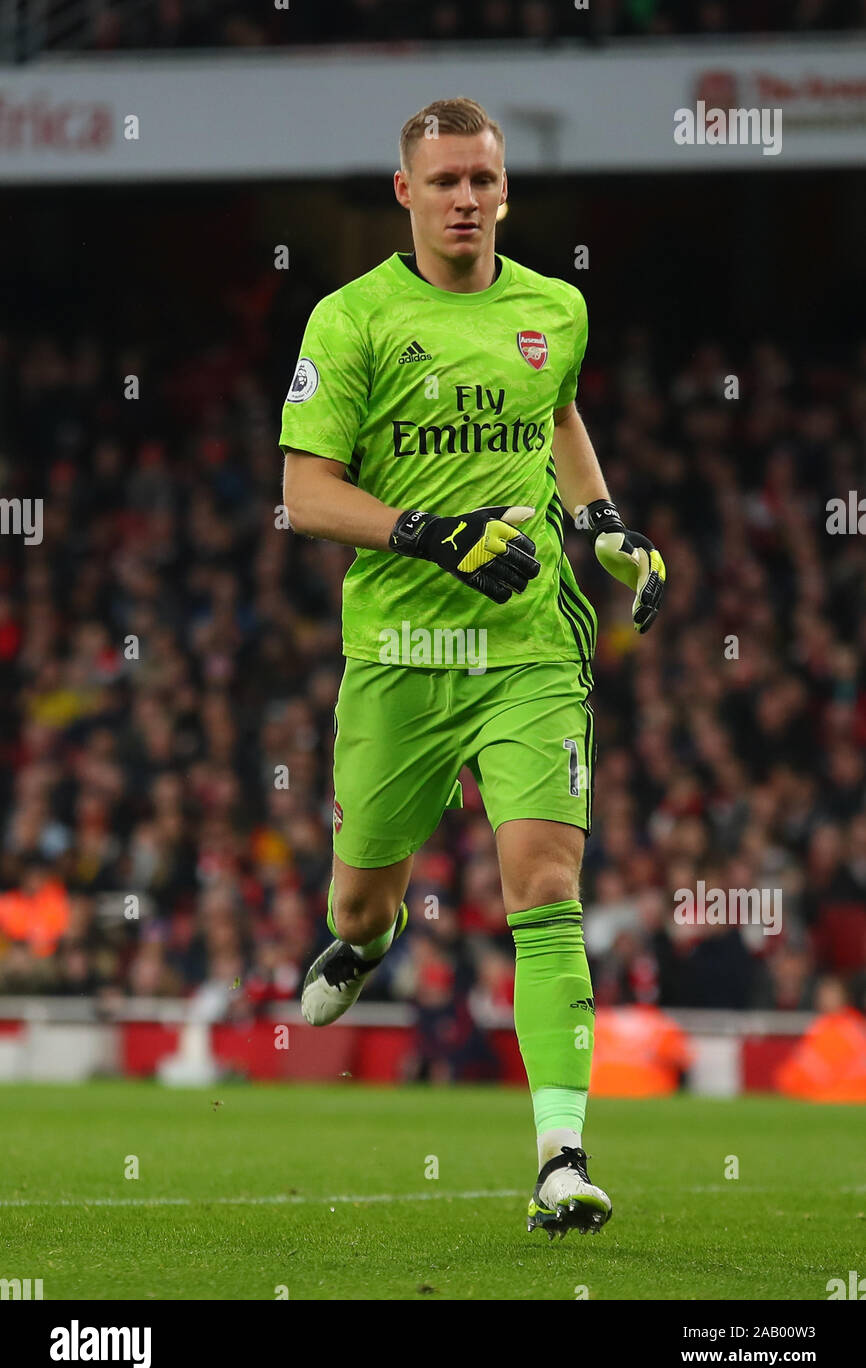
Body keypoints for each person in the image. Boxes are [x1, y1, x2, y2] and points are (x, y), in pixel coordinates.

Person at [279, 96, 665, 1238]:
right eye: (442, 181)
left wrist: (601, 527)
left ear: (505, 190)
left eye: (481, 181)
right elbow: (303, 495)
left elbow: (558, 418)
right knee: (358, 895)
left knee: (543, 885)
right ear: (404, 193)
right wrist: (433, 534)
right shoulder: (348, 320)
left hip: (526, 646)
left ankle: (559, 1157)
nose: (463, 199)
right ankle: (367, 935)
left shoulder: (554, 308)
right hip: (398, 651)